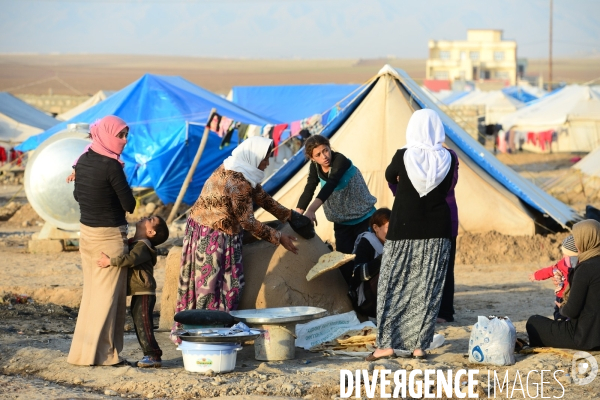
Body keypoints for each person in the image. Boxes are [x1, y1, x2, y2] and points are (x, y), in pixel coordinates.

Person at [171, 137, 298, 340]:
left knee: (226, 284)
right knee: (210, 286)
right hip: (212, 235)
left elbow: (261, 197)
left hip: (216, 231)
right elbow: (247, 222)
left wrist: (289, 215)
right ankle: (203, 336)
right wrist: (278, 236)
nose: (266, 163)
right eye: (264, 159)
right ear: (253, 156)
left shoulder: (237, 167)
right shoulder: (237, 181)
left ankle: (218, 332)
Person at [369, 109, 458, 361]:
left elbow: (389, 176)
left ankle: (387, 344)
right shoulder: (449, 157)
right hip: (437, 229)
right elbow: (450, 185)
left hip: (404, 227)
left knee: (392, 284)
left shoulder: (403, 155)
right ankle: (419, 346)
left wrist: (403, 192)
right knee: (427, 287)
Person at [67, 115, 136, 366]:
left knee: (93, 296)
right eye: (121, 135)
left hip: (87, 235)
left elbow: (78, 195)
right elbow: (129, 204)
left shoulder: (82, 161)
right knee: (109, 298)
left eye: (127, 135)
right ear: (106, 134)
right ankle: (104, 355)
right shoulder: (111, 166)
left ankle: (83, 354)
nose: (125, 140)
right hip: (109, 237)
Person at [296, 135, 377, 284]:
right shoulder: (314, 166)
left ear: (329, 146)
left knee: (365, 259)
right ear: (312, 158)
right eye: (318, 155)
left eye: (325, 150)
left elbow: (331, 184)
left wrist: (312, 210)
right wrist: (298, 213)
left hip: (363, 218)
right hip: (341, 223)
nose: (324, 156)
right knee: (344, 264)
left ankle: (369, 296)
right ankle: (353, 296)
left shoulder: (340, 160)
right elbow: (310, 187)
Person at [97, 216, 169, 368]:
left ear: (150, 232)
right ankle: (149, 354)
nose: (145, 217)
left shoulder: (143, 245)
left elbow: (130, 259)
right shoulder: (137, 243)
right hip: (139, 292)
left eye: (150, 219)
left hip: (144, 292)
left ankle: (153, 355)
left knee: (144, 325)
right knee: (139, 324)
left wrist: (110, 262)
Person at [526, 220, 600, 351]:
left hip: (585, 337)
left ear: (586, 240)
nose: (575, 243)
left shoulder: (585, 268)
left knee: (533, 322)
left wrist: (562, 308)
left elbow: (572, 310)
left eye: (577, 239)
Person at [349, 207, 391, 320]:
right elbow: (360, 274)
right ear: (376, 228)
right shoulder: (366, 242)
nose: (392, 232)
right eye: (388, 228)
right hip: (369, 300)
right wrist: (385, 257)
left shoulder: (393, 243)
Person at [528, 235, 578, 321]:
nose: (563, 255)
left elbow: (549, 271)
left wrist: (535, 275)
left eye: (564, 253)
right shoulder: (583, 263)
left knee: (558, 311)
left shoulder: (562, 264)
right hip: (574, 295)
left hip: (562, 294)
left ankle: (559, 320)